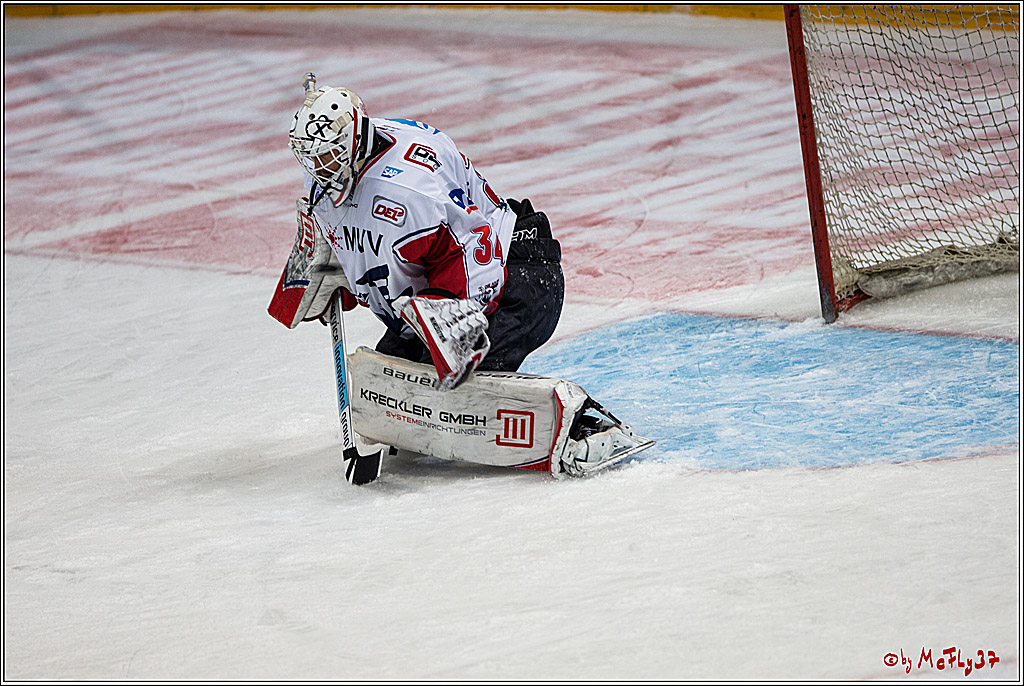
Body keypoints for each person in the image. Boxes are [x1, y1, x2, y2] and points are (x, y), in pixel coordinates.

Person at [287, 73, 563, 389]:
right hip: (439, 286)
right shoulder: (335, 168)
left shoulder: (407, 192)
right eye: (309, 158)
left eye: (327, 156)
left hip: (514, 276)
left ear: (354, 140)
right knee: (386, 392)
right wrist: (335, 259)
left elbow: (469, 257)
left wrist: (448, 319)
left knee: (462, 394)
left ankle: (586, 425)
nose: (318, 168)